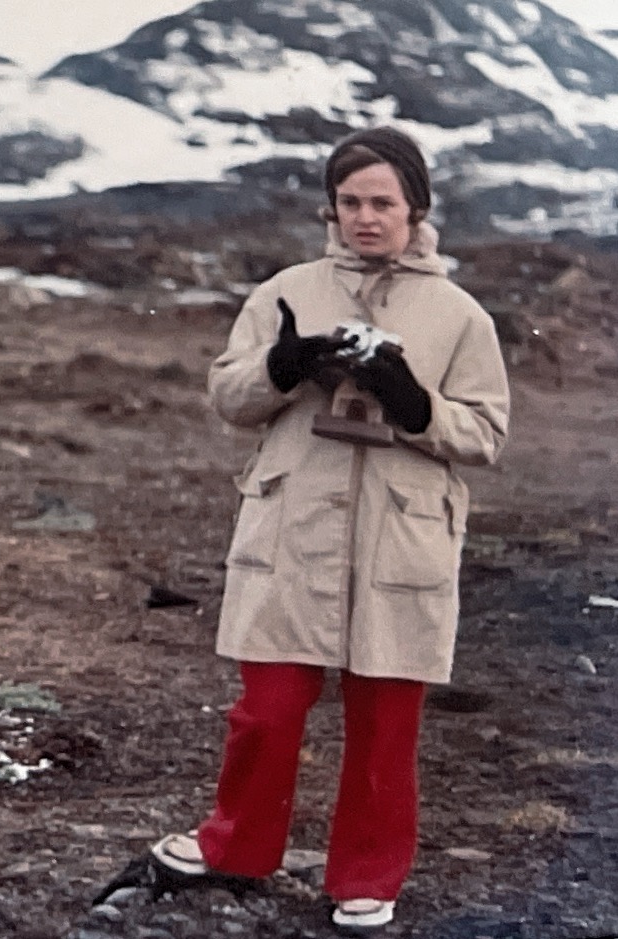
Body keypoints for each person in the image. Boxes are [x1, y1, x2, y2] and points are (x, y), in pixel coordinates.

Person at [146, 127, 511, 933]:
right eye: (349, 201)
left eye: (382, 202)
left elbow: (485, 433)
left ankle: (366, 876)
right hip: (291, 530)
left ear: (415, 208)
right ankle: (236, 845)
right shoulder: (286, 290)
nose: (364, 217)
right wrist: (282, 366)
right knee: (267, 709)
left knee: (385, 725)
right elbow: (228, 395)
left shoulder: (459, 315)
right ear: (330, 207)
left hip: (399, 537)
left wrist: (413, 403)